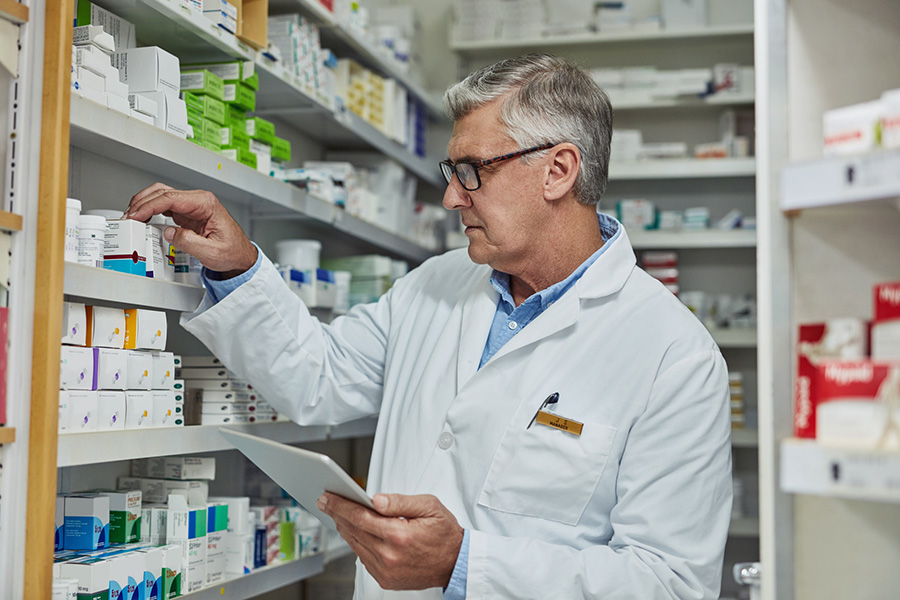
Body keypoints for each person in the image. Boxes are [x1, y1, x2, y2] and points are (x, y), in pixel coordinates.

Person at [126, 54, 732, 599]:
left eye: (473, 170)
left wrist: (466, 565)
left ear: (558, 171)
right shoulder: (435, 284)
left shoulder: (672, 356)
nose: (451, 198)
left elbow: (669, 583)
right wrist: (237, 264)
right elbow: (319, 378)